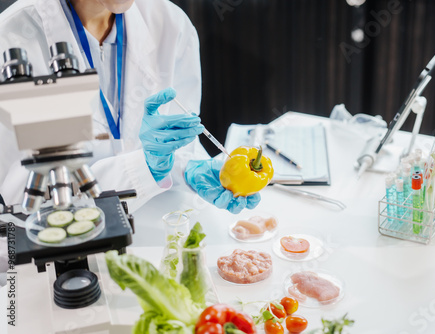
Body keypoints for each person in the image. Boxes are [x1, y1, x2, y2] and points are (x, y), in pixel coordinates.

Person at [0, 0, 260, 214]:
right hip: (63, 243)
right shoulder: (11, 39)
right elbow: (17, 197)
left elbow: (181, 145)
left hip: (154, 224)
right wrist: (142, 167)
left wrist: (187, 168)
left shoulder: (171, 24)